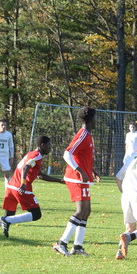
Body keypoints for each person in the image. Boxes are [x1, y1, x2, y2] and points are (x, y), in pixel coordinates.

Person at [0, 136, 64, 238]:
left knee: (8, 216)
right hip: (21, 189)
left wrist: (59, 180)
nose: (50, 148)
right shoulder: (37, 155)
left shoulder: (31, 154)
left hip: (11, 187)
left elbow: (40, 175)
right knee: (36, 214)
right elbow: (26, 167)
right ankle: (5, 221)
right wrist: (23, 183)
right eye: (49, 145)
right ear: (42, 145)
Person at [53, 107, 100, 257]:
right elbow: (67, 154)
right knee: (80, 211)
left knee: (86, 211)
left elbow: (83, 157)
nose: (96, 121)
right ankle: (61, 243)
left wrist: (92, 170)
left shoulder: (88, 135)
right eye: (95, 118)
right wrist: (80, 171)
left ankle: (77, 247)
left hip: (82, 178)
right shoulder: (83, 134)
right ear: (90, 120)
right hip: (76, 178)